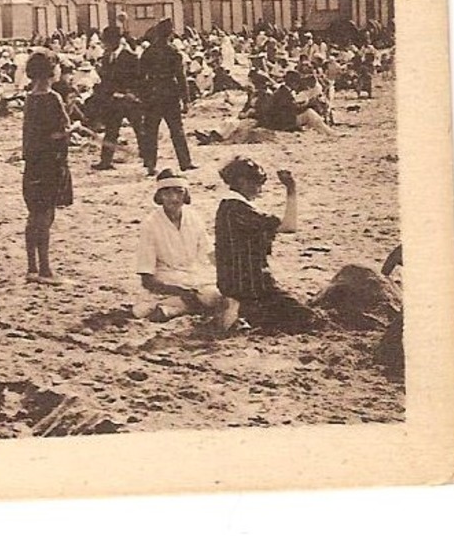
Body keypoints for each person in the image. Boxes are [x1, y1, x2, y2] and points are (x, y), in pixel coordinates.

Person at [213, 156, 320, 334]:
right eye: (256, 184)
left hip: (235, 284)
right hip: (251, 288)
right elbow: (289, 226)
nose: (259, 190)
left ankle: (240, 312)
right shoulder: (239, 209)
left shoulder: (229, 207)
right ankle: (240, 313)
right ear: (242, 182)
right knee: (305, 318)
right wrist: (291, 190)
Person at [133, 169, 223, 320]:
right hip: (166, 279)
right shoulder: (150, 225)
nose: (174, 198)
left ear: (186, 194)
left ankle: (175, 309)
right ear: (159, 196)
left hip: (194, 276)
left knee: (219, 296)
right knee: (145, 308)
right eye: (167, 193)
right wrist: (181, 292)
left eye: (179, 192)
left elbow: (209, 254)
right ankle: (176, 306)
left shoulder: (193, 217)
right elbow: (147, 279)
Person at [21, 49, 73, 285]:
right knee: (46, 217)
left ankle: (32, 268)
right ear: (51, 71)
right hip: (50, 164)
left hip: (33, 164)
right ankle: (45, 270)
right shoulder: (52, 98)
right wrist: (71, 131)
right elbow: (56, 133)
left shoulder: (30, 98)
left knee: (33, 216)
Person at [137, 19, 194, 176]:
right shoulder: (173, 51)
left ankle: (150, 165)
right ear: (170, 34)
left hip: (153, 94)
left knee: (151, 131)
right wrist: (186, 99)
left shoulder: (148, 52)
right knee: (177, 130)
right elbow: (181, 77)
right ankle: (185, 162)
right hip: (170, 93)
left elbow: (140, 77)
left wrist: (143, 95)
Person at [90, 26, 141, 170]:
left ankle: (148, 160)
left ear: (116, 40)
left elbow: (138, 79)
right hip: (113, 101)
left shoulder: (131, 57)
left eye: (107, 42)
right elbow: (105, 80)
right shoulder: (106, 58)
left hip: (129, 100)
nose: (106, 45)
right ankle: (106, 161)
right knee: (111, 131)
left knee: (140, 130)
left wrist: (131, 93)